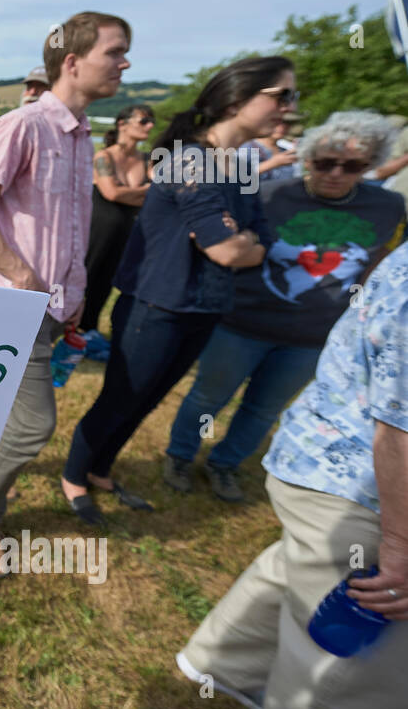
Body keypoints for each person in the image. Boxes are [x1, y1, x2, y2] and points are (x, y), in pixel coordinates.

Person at [176, 241, 408, 709]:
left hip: (325, 461)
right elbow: (402, 431)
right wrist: (400, 545)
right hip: (368, 491)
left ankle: (224, 664)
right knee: (350, 682)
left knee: (301, 567)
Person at [60, 56, 292, 527]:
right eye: (281, 95)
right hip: (157, 304)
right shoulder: (188, 159)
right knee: (122, 396)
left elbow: (262, 240)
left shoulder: (238, 165)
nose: (289, 107)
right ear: (237, 99)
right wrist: (233, 242)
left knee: (152, 396)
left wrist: (236, 240)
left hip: (206, 305)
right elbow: (226, 250)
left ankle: (102, 468)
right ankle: (73, 477)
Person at [0, 11, 132, 574]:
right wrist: (25, 278)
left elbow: (70, 226)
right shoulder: (22, 125)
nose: (125, 64)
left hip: (56, 308)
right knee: (34, 425)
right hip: (14, 306)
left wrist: (73, 292)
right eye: (116, 52)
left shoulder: (82, 139)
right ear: (74, 63)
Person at [165, 111, 406, 501]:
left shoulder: (388, 206)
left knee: (264, 408)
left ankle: (225, 464)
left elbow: (379, 261)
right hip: (242, 322)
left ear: (371, 165)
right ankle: (180, 455)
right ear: (307, 158)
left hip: (314, 336)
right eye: (325, 162)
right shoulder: (269, 194)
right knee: (209, 396)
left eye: (352, 166)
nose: (336, 173)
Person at [78, 104, 155, 350]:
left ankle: (87, 329)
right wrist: (143, 191)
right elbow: (110, 193)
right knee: (83, 278)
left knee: (106, 283)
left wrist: (129, 193)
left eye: (151, 121)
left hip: (127, 233)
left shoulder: (148, 159)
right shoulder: (104, 156)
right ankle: (61, 326)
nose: (150, 126)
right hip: (97, 230)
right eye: (143, 121)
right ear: (123, 124)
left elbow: (157, 194)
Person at [238, 119, 299, 185]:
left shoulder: (285, 150)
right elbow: (237, 177)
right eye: (277, 123)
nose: (282, 127)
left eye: (288, 124)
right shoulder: (246, 147)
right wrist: (271, 163)